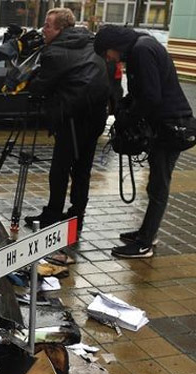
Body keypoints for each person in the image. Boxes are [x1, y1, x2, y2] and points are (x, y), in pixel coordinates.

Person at [95, 25, 193, 258]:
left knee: (159, 185)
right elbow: (144, 92)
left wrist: (129, 117)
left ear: (114, 46)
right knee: (155, 183)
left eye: (107, 53)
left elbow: (150, 96)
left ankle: (145, 243)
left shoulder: (142, 50)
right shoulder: (141, 46)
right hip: (166, 125)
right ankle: (147, 232)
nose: (108, 59)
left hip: (171, 127)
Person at [24, 8, 109, 232]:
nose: (43, 29)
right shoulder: (92, 41)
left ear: (61, 29)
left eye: (48, 25)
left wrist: (28, 78)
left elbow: (40, 87)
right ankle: (77, 215)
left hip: (72, 118)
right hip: (96, 116)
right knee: (82, 169)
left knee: (60, 169)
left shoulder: (55, 52)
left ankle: (52, 215)